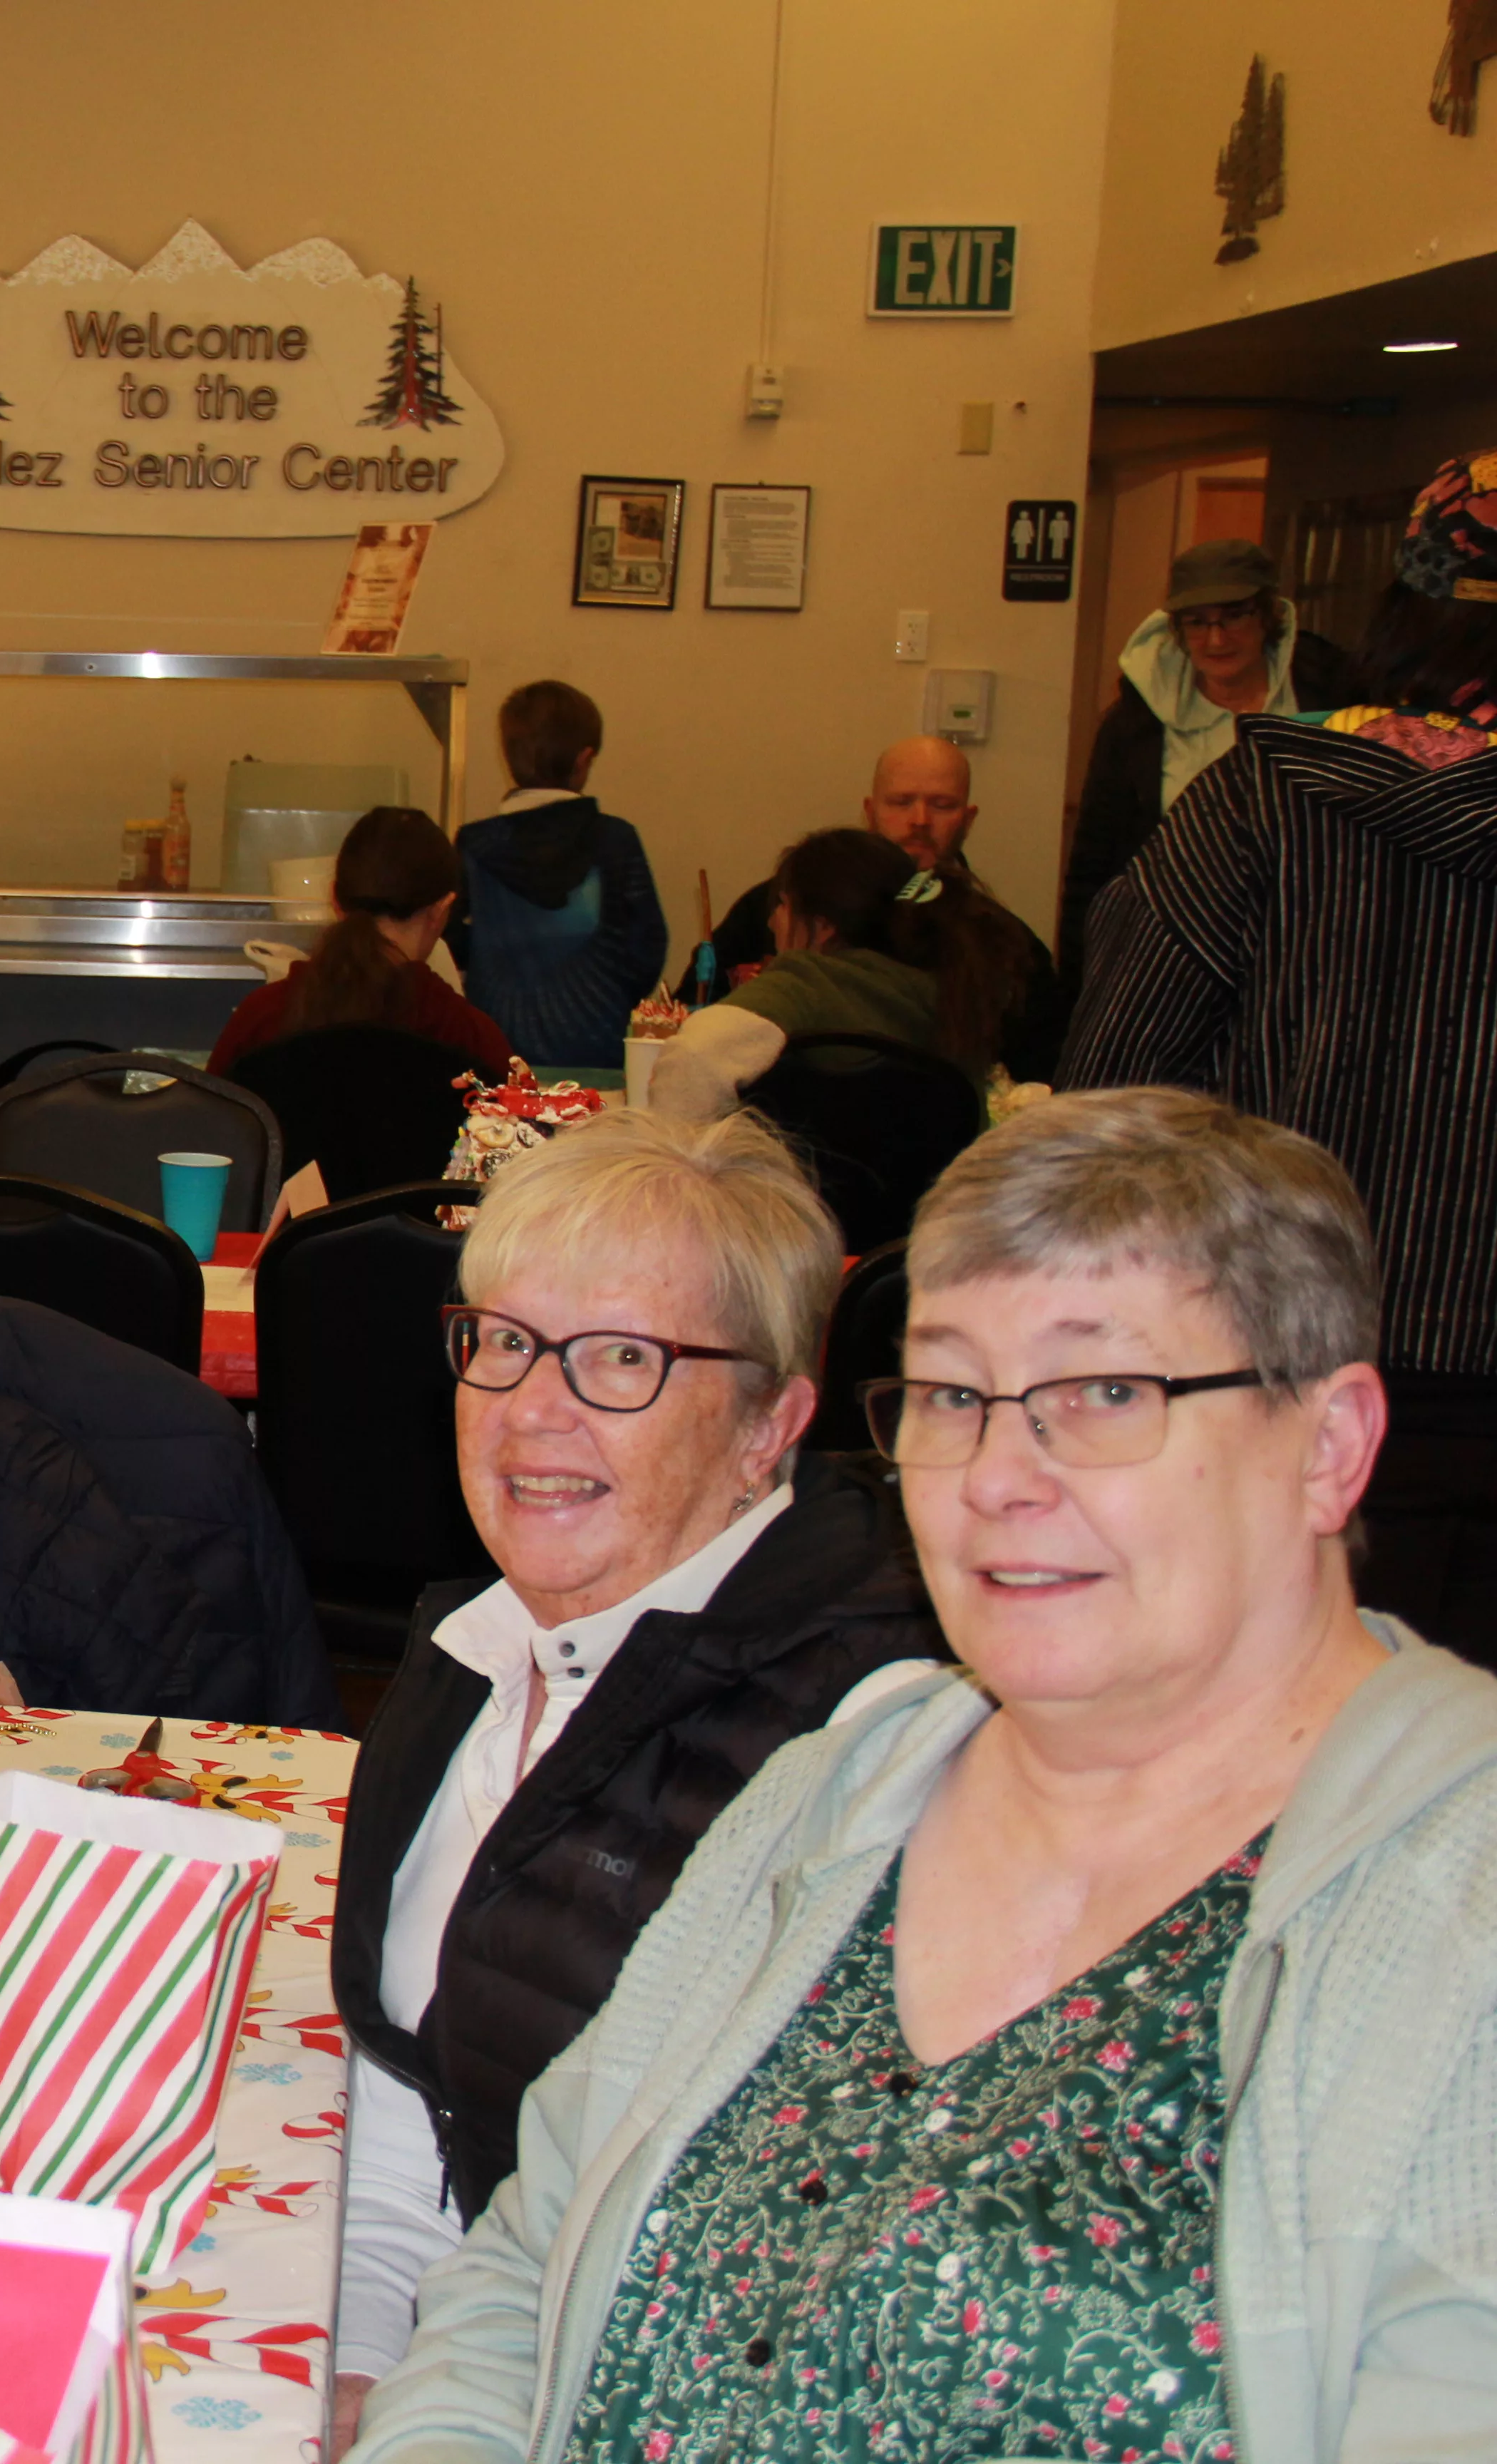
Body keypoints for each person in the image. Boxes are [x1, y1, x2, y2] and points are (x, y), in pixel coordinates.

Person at [352, 1089, 1497, 2464]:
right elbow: (522, 2263)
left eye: (1103, 1393)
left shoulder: (1454, 1909)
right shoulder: (840, 1791)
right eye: (954, 1393)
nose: (997, 1472)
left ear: (1327, 1446)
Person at [324, 1108, 943, 2449]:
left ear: (766, 1423)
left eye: (619, 1358)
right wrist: (360, 2369)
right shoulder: (467, 1662)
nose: (529, 1408)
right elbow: (401, 2102)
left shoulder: (862, 1743)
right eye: (499, 1341)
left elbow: (778, 2292)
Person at [1065, 469, 1497, 1662]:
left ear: (1393, 610)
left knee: (1280, 1778)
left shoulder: (1254, 802)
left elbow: (1112, 1099)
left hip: (1278, 1380)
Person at [1059, 536, 1361, 988]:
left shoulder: (1335, 700)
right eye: (1197, 623)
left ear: (1268, 615)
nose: (1216, 639)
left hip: (1306, 960)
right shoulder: (1134, 729)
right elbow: (1095, 868)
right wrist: (1081, 986)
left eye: (1234, 616)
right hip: (1172, 966)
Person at [711, 739, 1066, 1078]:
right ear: (870, 811)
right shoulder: (780, 904)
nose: (920, 820)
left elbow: (1039, 1075)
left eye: (942, 805)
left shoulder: (1001, 940)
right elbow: (700, 1007)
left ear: (968, 819)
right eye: (901, 802)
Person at [650, 827, 1036, 1122]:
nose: (772, 922)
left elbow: (693, 1061)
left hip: (796, 1217)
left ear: (823, 927)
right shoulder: (953, 997)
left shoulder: (804, 985)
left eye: (783, 906)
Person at [449, 679, 667, 1069]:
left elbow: (450, 939)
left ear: (508, 756)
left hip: (498, 1060)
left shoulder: (474, 845)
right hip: (599, 1054)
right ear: (584, 760)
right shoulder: (615, 840)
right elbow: (646, 949)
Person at [205, 804, 515, 1078]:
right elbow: (524, 1134)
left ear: (334, 900)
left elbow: (208, 1131)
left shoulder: (259, 1020)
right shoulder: (469, 1036)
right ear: (441, 910)